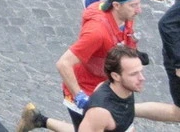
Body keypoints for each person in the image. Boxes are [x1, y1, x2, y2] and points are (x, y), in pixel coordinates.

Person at [18, 46, 180, 132]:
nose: (142, 78)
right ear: (116, 76)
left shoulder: (125, 88)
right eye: (134, 74)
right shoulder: (101, 112)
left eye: (140, 72)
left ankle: (39, 119)